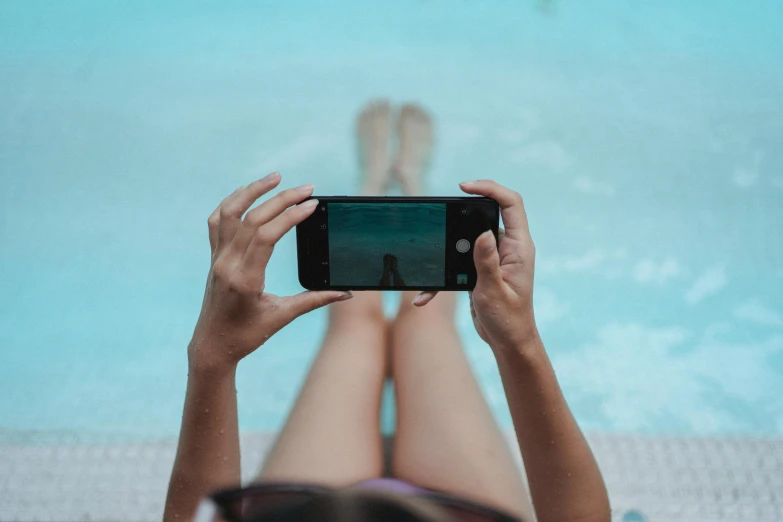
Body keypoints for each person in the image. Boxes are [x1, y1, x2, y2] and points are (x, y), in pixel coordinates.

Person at [163, 102, 610, 522]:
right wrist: (518, 342)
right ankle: (413, 185)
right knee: (428, 318)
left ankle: (372, 185)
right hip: (444, 508)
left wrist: (213, 358)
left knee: (352, 316)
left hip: (325, 510)